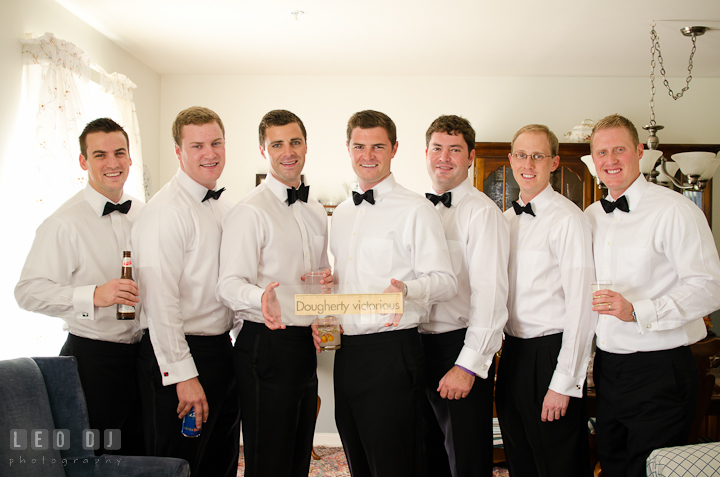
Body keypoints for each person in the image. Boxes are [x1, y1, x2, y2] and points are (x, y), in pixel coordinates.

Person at [324, 110, 457, 477]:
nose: (368, 155)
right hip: (347, 353)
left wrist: (407, 289)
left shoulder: (416, 208)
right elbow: (352, 280)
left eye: (378, 146)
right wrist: (327, 284)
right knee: (358, 458)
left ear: (394, 149)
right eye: (359, 146)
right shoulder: (343, 212)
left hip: (392, 352)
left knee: (396, 463)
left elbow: (445, 280)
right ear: (348, 149)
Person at [586, 114, 720, 477]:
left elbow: (710, 286)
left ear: (639, 152)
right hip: (608, 368)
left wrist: (638, 310)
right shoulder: (591, 216)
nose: (610, 160)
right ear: (593, 160)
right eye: (602, 152)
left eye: (619, 150)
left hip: (660, 367)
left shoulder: (675, 210)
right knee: (613, 465)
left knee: (655, 470)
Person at [15, 117, 145, 456]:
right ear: (83, 162)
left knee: (140, 456)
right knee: (91, 460)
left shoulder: (146, 214)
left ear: (131, 157)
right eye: (100, 155)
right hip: (90, 361)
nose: (112, 163)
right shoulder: (63, 223)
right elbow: (27, 292)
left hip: (142, 357)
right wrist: (94, 295)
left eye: (119, 152)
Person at [216, 109, 331, 477]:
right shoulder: (249, 210)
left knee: (298, 457)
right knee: (269, 461)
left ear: (306, 146)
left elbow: (310, 280)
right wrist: (258, 298)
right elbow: (228, 284)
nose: (288, 151)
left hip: (303, 347)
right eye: (277, 143)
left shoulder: (314, 210)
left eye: (295, 141)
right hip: (265, 344)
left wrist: (322, 294)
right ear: (263, 149)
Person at [132, 106, 240, 476]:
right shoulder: (165, 211)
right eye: (197, 146)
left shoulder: (224, 206)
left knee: (219, 462)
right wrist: (184, 375)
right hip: (180, 356)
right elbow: (159, 301)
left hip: (219, 352)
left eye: (216, 143)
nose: (209, 153)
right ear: (178, 152)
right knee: (177, 465)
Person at [496, 124, 595, 477]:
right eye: (521, 155)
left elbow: (583, 307)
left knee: (560, 465)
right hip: (512, 356)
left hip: (551, 355)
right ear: (511, 160)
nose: (528, 163)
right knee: (520, 459)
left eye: (537, 156)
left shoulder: (569, 220)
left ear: (553, 162)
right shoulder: (505, 221)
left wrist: (564, 381)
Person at [419, 115, 509, 477]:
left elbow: (491, 296)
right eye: (437, 148)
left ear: (471, 157)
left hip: (458, 347)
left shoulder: (483, 214)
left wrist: (467, 365)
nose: (444, 157)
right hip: (415, 346)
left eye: (454, 150)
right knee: (427, 458)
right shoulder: (415, 209)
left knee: (466, 461)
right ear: (425, 153)